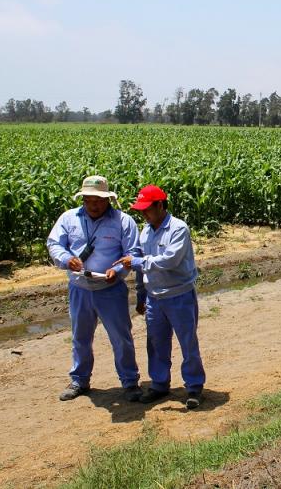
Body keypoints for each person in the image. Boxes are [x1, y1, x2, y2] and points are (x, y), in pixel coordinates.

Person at [47, 175, 142, 402]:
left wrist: (117, 272)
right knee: (80, 337)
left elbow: (133, 253)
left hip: (111, 289)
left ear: (108, 199)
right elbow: (54, 243)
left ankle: (130, 382)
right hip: (79, 287)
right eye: (89, 200)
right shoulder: (69, 218)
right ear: (83, 199)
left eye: (99, 200)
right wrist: (66, 259)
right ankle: (80, 380)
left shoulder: (123, 221)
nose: (94, 205)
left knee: (121, 337)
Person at [113, 185, 206, 408]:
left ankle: (193, 387)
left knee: (187, 342)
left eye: (147, 209)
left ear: (161, 205)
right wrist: (141, 294)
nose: (144, 214)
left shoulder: (178, 229)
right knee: (155, 344)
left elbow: (169, 260)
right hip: (155, 297)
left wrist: (137, 262)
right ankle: (159, 384)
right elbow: (140, 265)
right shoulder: (146, 231)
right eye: (141, 210)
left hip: (179, 295)